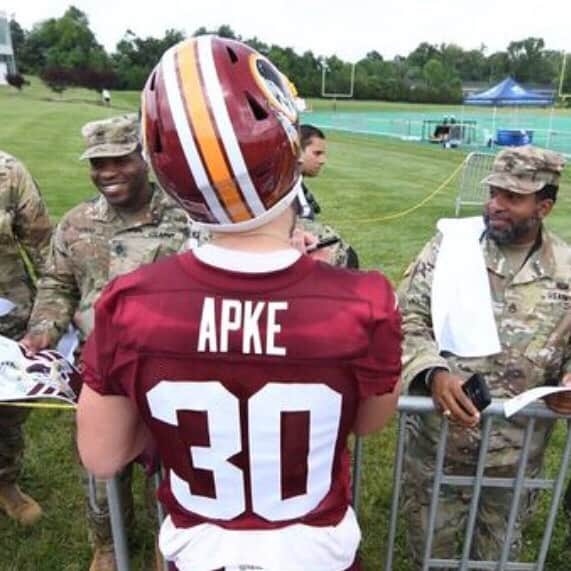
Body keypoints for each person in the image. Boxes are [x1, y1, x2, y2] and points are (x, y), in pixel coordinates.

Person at [76, 36, 402, 571]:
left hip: (201, 553)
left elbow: (104, 454)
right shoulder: (362, 301)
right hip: (317, 554)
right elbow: (368, 422)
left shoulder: (131, 304)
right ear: (289, 150)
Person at [22, 114, 192, 571]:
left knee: (174, 466)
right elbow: (57, 284)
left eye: (120, 160)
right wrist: (44, 328)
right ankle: (108, 543)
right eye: (98, 164)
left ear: (145, 159)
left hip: (168, 372)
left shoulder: (186, 220)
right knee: (100, 469)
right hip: (101, 372)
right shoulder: (77, 223)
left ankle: (168, 541)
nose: (107, 172)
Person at [398, 145, 571, 567]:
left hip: (516, 457)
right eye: (493, 192)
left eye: (512, 198)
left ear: (543, 206)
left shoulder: (566, 269)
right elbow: (405, 317)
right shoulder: (450, 247)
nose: (495, 205)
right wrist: (433, 373)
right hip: (437, 446)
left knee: (498, 561)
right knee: (429, 555)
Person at [0, 151, 52, 526]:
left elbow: (43, 248)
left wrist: (50, 315)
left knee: (7, 412)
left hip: (8, 316)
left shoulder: (8, 172)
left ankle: (5, 482)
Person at [296, 124, 359, 269]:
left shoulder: (292, 181)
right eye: (317, 153)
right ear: (298, 152)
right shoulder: (288, 185)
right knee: (346, 257)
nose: (323, 160)